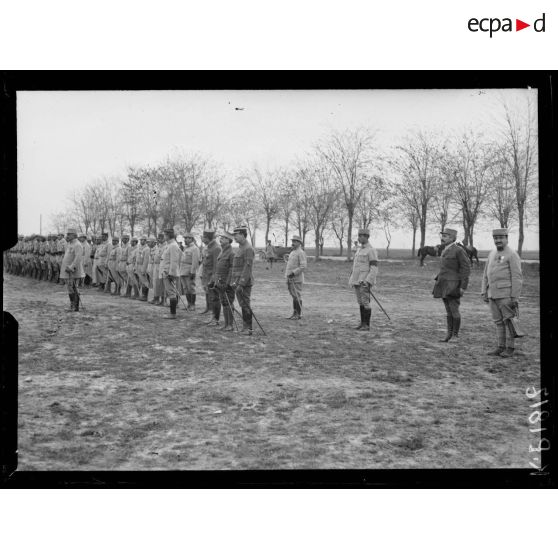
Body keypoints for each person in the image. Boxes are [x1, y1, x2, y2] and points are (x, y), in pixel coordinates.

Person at [481, 228, 524, 358]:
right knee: (498, 322)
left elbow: (517, 277)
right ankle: (500, 347)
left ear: (506, 238)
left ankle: (510, 348)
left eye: (501, 238)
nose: (498, 240)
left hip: (506, 295)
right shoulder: (492, 253)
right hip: (492, 294)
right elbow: (485, 274)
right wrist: (484, 291)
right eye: (495, 238)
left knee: (509, 321)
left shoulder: (512, 254)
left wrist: (514, 297)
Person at [432, 227, 471, 342]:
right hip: (443, 284)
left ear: (452, 238)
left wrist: (463, 287)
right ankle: (449, 335)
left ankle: (455, 335)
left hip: (454, 285)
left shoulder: (458, 250)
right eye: (442, 236)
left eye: (445, 236)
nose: (442, 238)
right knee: (448, 311)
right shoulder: (444, 250)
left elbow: (466, 269)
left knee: (454, 310)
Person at [349, 228, 378, 331]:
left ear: (367, 237)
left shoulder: (371, 250)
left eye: (362, 235)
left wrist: (368, 281)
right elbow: (355, 266)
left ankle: (367, 325)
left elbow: (374, 268)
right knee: (360, 302)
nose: (360, 237)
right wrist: (352, 279)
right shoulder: (358, 250)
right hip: (357, 280)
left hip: (364, 281)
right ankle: (362, 323)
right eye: (359, 235)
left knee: (365, 302)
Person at [232, 226, 255, 335]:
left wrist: (241, 283)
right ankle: (245, 327)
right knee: (242, 304)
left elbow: (247, 268)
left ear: (242, 234)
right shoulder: (241, 248)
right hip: (238, 281)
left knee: (245, 304)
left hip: (244, 282)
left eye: (236, 235)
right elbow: (236, 267)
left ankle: (249, 328)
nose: (234, 237)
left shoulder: (248, 248)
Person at [60, 227, 85, 312]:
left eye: (69, 234)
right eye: (67, 234)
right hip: (67, 271)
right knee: (70, 288)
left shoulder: (78, 245)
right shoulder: (70, 244)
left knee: (74, 288)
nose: (67, 236)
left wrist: (71, 267)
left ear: (74, 235)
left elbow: (78, 258)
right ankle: (72, 305)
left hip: (74, 271)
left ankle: (76, 307)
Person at [215, 231, 236, 331]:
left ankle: (230, 325)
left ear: (229, 241)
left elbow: (232, 269)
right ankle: (226, 324)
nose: (221, 239)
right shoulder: (222, 251)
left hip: (227, 284)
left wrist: (227, 283)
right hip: (220, 282)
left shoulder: (231, 253)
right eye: (221, 237)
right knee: (224, 302)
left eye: (223, 238)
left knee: (228, 303)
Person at [159, 227, 182, 319]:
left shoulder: (173, 246)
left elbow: (174, 261)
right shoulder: (169, 245)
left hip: (169, 273)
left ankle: (173, 314)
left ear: (168, 235)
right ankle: (172, 313)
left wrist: (171, 274)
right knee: (170, 292)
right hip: (165, 272)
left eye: (165, 235)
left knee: (171, 292)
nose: (164, 236)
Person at [201, 229, 222, 323]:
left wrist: (213, 279)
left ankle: (216, 318)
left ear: (208, 238)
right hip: (207, 276)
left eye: (204, 237)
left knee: (214, 298)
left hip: (212, 278)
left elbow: (216, 266)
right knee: (211, 297)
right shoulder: (208, 247)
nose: (202, 239)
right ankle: (213, 316)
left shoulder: (216, 248)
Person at [285, 234, 307, 320]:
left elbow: (303, 266)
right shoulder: (292, 252)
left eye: (294, 241)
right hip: (290, 278)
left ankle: (298, 314)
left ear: (299, 243)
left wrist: (293, 273)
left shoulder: (301, 253)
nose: (292, 243)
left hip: (296, 279)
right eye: (292, 241)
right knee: (294, 296)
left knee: (297, 295)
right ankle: (294, 313)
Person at [179, 231, 200, 311]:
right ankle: (188, 304)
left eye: (187, 238)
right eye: (185, 238)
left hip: (189, 271)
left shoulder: (195, 249)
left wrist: (193, 272)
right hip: (183, 270)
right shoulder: (185, 248)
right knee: (185, 288)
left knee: (191, 288)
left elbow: (195, 262)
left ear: (191, 239)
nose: (185, 240)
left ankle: (192, 305)